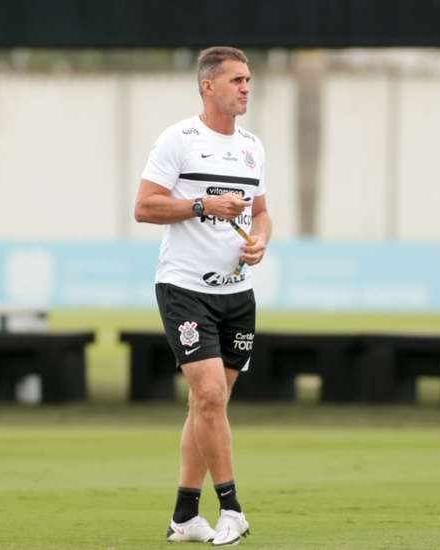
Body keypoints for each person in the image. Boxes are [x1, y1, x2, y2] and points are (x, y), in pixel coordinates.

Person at [134, 46, 271, 546]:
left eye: (249, 80)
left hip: (237, 294)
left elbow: (261, 212)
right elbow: (144, 207)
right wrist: (200, 204)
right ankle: (231, 508)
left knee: (206, 404)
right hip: (185, 288)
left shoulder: (254, 147)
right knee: (211, 395)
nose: (246, 88)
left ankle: (185, 516)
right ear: (207, 86)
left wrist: (260, 240)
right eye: (236, 80)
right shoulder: (179, 140)